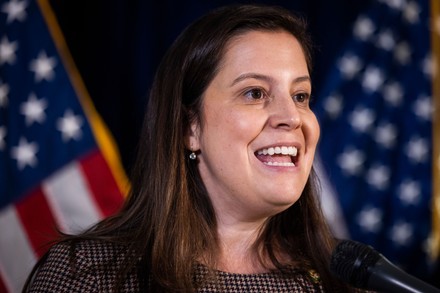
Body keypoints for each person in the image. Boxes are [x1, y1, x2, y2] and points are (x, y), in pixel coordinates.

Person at [24, 4, 358, 292]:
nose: (291, 118)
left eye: (300, 96)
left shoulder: (346, 281)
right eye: (255, 93)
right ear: (189, 128)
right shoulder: (85, 276)